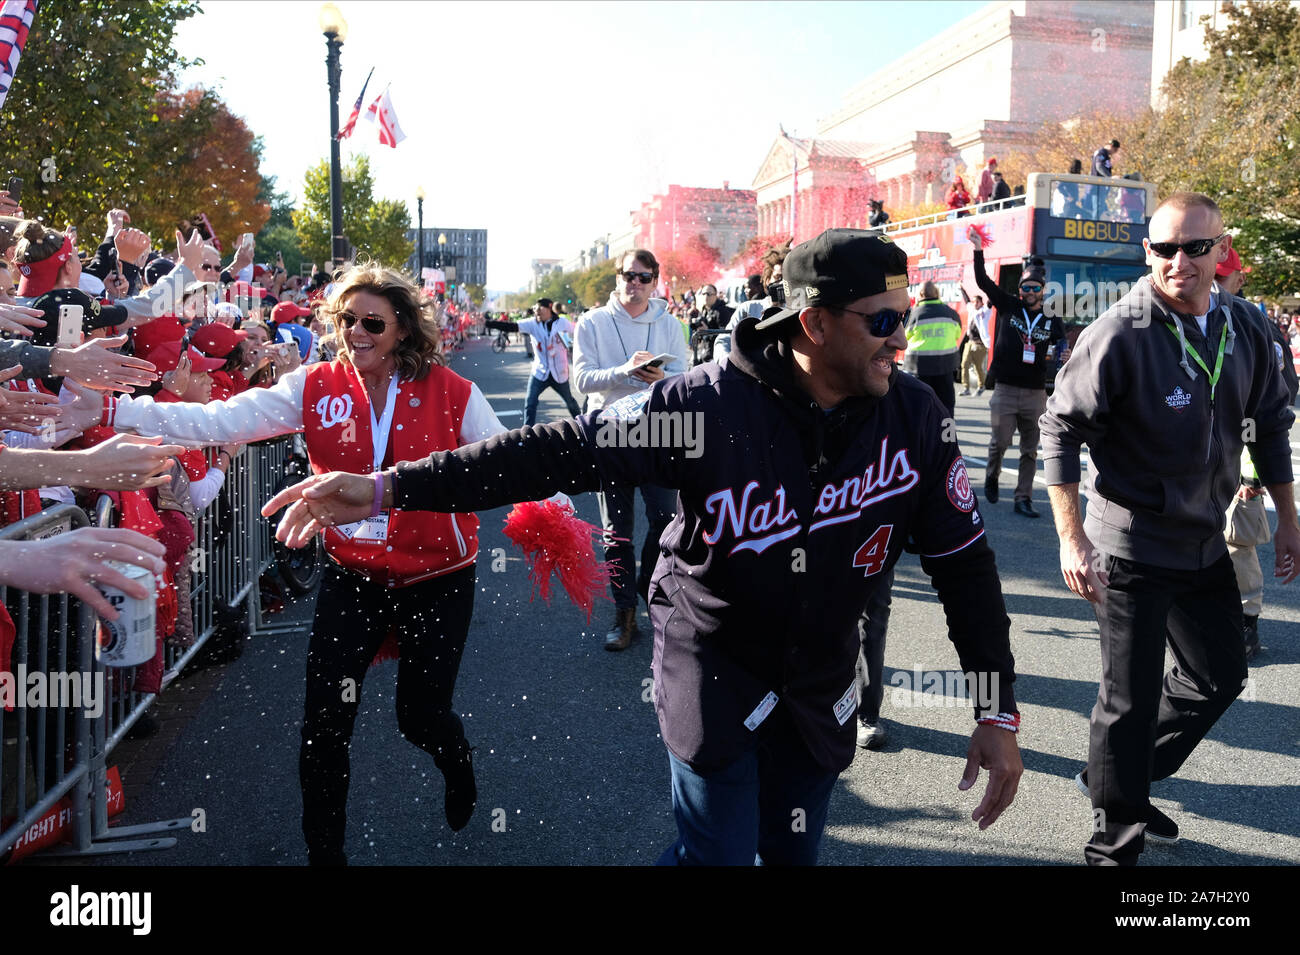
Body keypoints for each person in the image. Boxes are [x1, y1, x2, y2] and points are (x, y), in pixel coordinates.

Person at [266, 228, 1023, 867]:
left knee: (789, 854)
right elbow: (554, 451)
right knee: (717, 855)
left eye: (905, 315)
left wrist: (996, 710)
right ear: (814, 323)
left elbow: (965, 567)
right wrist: (387, 487)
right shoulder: (706, 405)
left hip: (820, 685)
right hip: (717, 669)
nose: (904, 336)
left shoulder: (914, 418)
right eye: (883, 320)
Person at [69, 264, 525, 865]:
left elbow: (507, 462)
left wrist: (559, 510)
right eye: (346, 320)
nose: (356, 332)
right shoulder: (314, 385)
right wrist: (114, 412)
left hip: (437, 578)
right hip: (354, 577)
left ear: (404, 330)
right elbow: (214, 422)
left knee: (420, 719)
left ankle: (455, 760)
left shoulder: (453, 392)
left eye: (372, 322)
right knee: (324, 724)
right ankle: (325, 856)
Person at [1039, 192, 1298, 866]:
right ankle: (1113, 844)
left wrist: (1290, 520)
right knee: (1125, 700)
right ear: (1147, 251)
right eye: (1162, 248)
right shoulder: (1122, 330)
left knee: (1220, 674)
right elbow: (1060, 429)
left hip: (1204, 538)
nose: (1177, 260)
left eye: (1193, 247)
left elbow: (1270, 425)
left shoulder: (1246, 326)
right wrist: (1072, 538)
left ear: (1220, 251)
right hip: (1128, 545)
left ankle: (1118, 777)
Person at [572, 249, 689, 651]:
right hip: (610, 432)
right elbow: (581, 382)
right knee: (616, 532)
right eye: (628, 275)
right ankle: (624, 615)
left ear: (655, 280)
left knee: (666, 523)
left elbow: (685, 379)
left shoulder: (670, 324)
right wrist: (623, 370)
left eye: (643, 277)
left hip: (659, 431)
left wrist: (659, 378)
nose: (634, 284)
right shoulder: (593, 322)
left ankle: (645, 586)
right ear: (616, 278)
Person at [1215, 248, 1300, 660]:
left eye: (1222, 277)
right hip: (1186, 466)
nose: (1213, 284)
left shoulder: (1257, 326)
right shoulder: (1178, 318)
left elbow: (1275, 409)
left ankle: (1246, 621)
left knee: (1237, 544)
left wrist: (1253, 473)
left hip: (1238, 464)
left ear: (1239, 280)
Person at [969, 227, 1067, 516]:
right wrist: (978, 250)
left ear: (1043, 290)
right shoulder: (1009, 305)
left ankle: (1022, 498)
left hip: (1036, 392)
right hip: (1006, 388)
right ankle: (991, 474)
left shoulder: (1051, 316)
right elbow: (983, 281)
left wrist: (1063, 350)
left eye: (1034, 288)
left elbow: (1061, 339)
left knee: (1029, 450)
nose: (1028, 292)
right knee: (999, 442)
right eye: (1025, 287)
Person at [901, 281, 961, 415]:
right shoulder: (951, 313)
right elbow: (957, 334)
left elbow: (904, 337)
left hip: (918, 369)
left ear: (921, 294)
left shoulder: (913, 315)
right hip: (945, 368)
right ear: (937, 294)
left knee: (919, 409)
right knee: (946, 408)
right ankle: (947, 435)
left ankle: (921, 435)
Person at [959, 294, 990, 397]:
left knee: (978, 367)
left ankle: (981, 386)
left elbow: (991, 302)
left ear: (982, 303)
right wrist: (961, 288)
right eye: (974, 302)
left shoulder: (985, 311)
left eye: (977, 302)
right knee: (964, 364)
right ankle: (966, 388)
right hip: (970, 343)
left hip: (980, 345)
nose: (975, 304)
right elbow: (966, 299)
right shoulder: (972, 309)